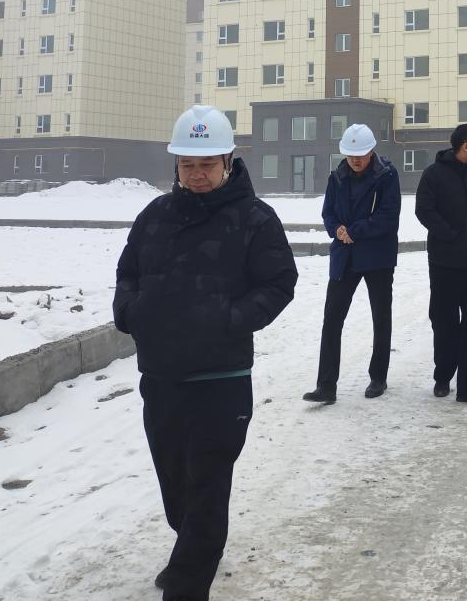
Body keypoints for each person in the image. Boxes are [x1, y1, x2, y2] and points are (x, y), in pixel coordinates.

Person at [114, 105, 297, 600]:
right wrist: (130, 311)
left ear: (228, 162)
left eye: (207, 164)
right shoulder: (155, 216)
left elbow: (279, 282)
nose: (197, 174)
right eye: (188, 164)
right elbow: (128, 272)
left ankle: (189, 580)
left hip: (221, 379)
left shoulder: (256, 219)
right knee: (175, 482)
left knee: (207, 485)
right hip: (162, 376)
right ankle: (191, 549)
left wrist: (227, 320)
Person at [303, 123, 400, 405]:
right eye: (350, 155)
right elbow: (328, 213)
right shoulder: (337, 177)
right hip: (344, 255)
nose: (355, 160)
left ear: (372, 151)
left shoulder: (387, 175)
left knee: (380, 317)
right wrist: (336, 229)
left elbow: (388, 216)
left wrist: (354, 231)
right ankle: (326, 386)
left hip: (377, 256)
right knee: (332, 319)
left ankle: (378, 376)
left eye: (360, 155)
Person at [415, 123, 467, 405]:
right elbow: (424, 210)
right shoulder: (434, 175)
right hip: (445, 265)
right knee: (444, 323)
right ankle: (443, 376)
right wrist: (450, 236)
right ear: (466, 146)